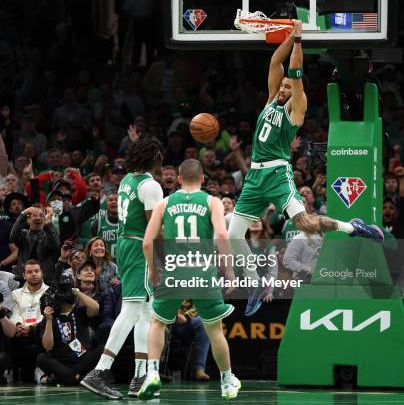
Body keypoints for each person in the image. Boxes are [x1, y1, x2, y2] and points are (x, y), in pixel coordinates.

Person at [226, 20, 384, 317]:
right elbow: (276, 61)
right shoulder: (271, 100)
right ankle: (256, 285)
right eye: (282, 85)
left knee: (306, 224)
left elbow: (294, 72)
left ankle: (355, 227)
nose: (283, 88)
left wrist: (298, 39)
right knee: (234, 234)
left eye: (288, 86)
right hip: (255, 176)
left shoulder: (296, 107)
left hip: (276, 173)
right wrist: (287, 35)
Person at [139, 159, 240, 400]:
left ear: (180, 179)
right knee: (214, 329)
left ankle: (152, 373)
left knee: (158, 323)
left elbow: (146, 243)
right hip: (203, 270)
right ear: (203, 178)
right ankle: (227, 380)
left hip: (174, 270)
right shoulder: (211, 201)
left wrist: (154, 270)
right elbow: (223, 234)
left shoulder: (165, 203)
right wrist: (229, 270)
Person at [81, 139, 164, 399]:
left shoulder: (128, 179)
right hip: (141, 247)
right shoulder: (151, 186)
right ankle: (100, 371)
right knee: (131, 309)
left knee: (145, 311)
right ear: (155, 158)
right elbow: (154, 229)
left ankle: (140, 376)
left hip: (126, 243)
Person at [36, 274, 102, 385]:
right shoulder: (50, 318)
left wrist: (76, 291)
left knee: (101, 349)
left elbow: (95, 307)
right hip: (61, 363)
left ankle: (64, 378)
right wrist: (48, 321)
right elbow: (48, 346)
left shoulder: (80, 312)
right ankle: (79, 379)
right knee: (41, 358)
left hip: (83, 361)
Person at [10, 260, 49, 382]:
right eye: (29, 272)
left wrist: (31, 327)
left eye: (36, 271)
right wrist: (19, 325)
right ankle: (9, 371)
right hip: (19, 330)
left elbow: (47, 315)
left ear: (42, 273)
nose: (33, 274)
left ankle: (40, 369)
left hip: (39, 330)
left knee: (43, 328)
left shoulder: (50, 292)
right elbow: (15, 313)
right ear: (24, 275)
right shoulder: (15, 294)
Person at [10, 205, 60, 281]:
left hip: (45, 279)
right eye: (35, 215)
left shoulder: (49, 234)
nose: (38, 218)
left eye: (41, 215)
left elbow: (54, 245)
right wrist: (23, 213)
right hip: (23, 279)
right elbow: (13, 236)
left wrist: (49, 224)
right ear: (28, 220)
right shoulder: (23, 235)